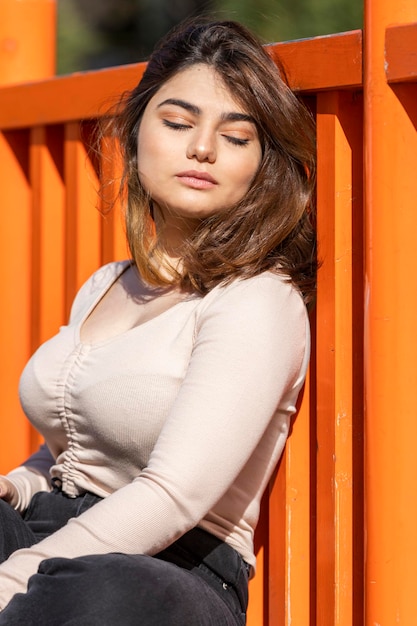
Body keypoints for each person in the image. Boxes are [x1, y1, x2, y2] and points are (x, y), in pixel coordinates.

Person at [0, 18, 316, 625]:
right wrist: (19, 486)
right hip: (54, 531)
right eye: (178, 123)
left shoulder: (255, 300)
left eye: (238, 136)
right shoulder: (108, 283)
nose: (202, 148)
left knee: (104, 595)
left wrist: (14, 577)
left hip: (169, 571)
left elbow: (174, 496)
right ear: (136, 129)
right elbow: (67, 451)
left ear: (263, 162)